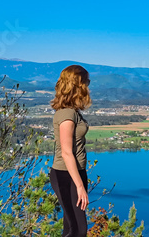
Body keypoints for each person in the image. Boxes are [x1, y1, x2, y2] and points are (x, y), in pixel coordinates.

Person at [49, 64, 91, 237]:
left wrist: (80, 181)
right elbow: (67, 152)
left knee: (70, 227)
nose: (89, 85)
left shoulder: (72, 112)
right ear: (78, 85)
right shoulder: (67, 114)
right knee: (78, 230)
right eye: (87, 82)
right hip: (65, 175)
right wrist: (79, 186)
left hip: (75, 173)